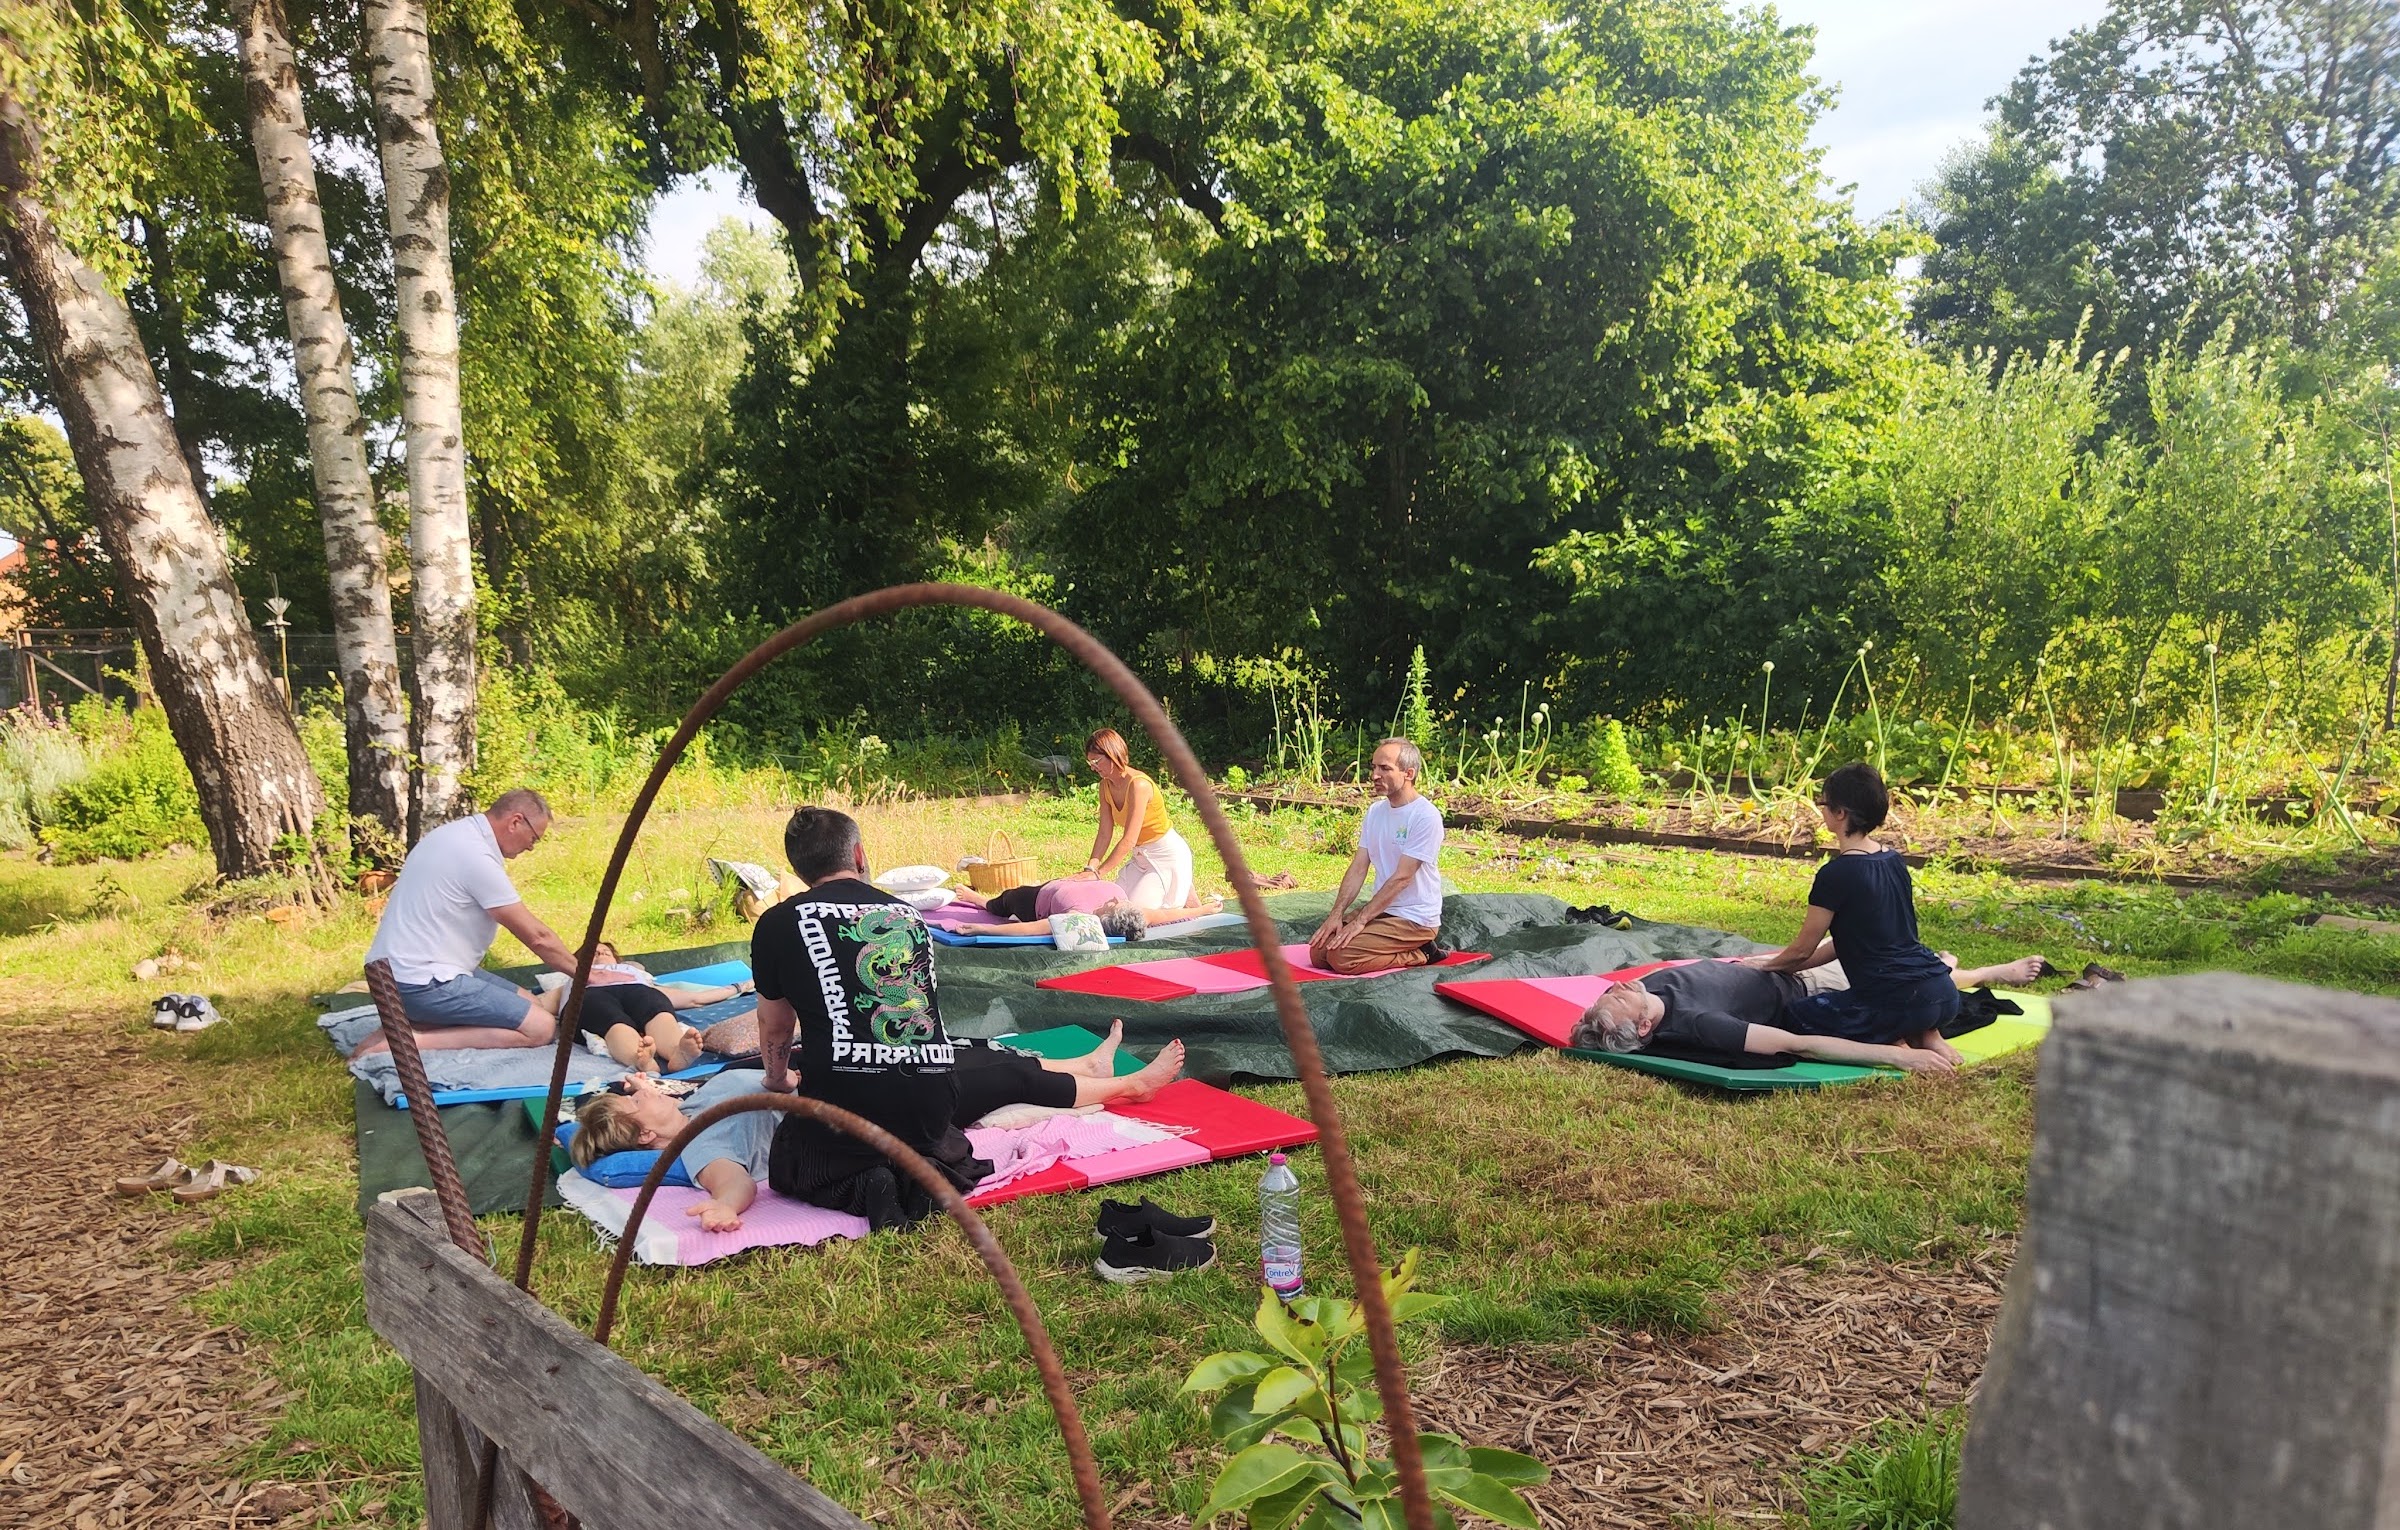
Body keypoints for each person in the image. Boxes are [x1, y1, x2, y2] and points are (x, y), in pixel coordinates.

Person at [754, 806, 1186, 1229]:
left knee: (799, 1149)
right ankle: (1121, 1083)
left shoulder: (776, 923)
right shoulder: (906, 915)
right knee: (988, 1067)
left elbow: (775, 1027)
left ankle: (1107, 1076)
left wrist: (776, 1079)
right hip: (928, 1101)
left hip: (847, 1107)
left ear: (799, 868)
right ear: (860, 855)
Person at [1743, 762, 1964, 1057]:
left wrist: (1764, 967)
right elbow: (1847, 943)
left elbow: (1802, 949)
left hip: (1898, 1000)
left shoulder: (1837, 874)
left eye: (1824, 804)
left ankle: (1897, 1042)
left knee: (1795, 1017)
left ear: (1840, 813)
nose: (1821, 811)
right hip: (1942, 992)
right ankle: (1926, 1034)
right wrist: (1786, 965)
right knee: (1891, 1004)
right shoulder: (1894, 860)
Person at [354, 788, 577, 1057]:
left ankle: (414, 1025)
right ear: (516, 821)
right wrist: (586, 974)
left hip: (398, 972)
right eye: (534, 838)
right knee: (540, 1028)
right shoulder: (475, 856)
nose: (531, 846)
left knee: (530, 1003)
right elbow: (537, 936)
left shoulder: (455, 835)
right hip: (421, 982)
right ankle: (406, 1042)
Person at [1570, 960, 1963, 1071]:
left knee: (1913, 962)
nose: (1619, 987)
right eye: (1618, 999)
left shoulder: (1645, 991)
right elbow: (1800, 1045)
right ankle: (1965, 984)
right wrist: (1898, 1057)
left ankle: (1947, 984)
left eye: (1611, 991)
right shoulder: (1703, 1025)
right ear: (1642, 1025)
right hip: (1810, 985)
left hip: (1773, 965)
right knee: (1916, 971)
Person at [1309, 738, 1447, 975]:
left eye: (1385, 768)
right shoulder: (1375, 813)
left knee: (1342, 958)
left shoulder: (1425, 816)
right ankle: (1381, 942)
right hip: (1385, 910)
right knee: (1319, 953)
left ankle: (1420, 952)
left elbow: (1402, 878)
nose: (1374, 775)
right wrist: (1336, 915)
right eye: (1373, 767)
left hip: (1415, 918)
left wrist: (1360, 920)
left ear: (1409, 773)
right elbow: (1358, 867)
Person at [569, 941, 757, 1074]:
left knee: (657, 1009)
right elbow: (543, 1004)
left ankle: (677, 1051)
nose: (601, 954)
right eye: (593, 953)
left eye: (605, 951)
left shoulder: (635, 975)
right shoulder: (572, 977)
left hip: (636, 990)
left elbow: (693, 999)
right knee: (611, 1020)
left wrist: (741, 986)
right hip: (592, 995)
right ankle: (640, 1059)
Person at [1075, 728, 1194, 910]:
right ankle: (1182, 891)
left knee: (1134, 912)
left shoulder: (1139, 785)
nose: (1093, 767)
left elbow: (1129, 839)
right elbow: (1105, 832)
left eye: (1097, 761)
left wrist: (1099, 873)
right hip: (1140, 858)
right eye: (1089, 762)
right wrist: (1091, 867)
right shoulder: (1104, 786)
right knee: (1107, 907)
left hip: (1166, 855)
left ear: (1113, 755)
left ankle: (1185, 891)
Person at [942, 878, 1226, 940]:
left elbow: (1032, 928)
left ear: (1108, 916)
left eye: (1116, 904)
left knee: (1002, 903)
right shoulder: (1138, 913)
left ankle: (978, 900)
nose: (1117, 899)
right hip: (1064, 880)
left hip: (1035, 900)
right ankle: (984, 901)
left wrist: (980, 927)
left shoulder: (1081, 920)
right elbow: (1172, 914)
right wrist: (1206, 910)